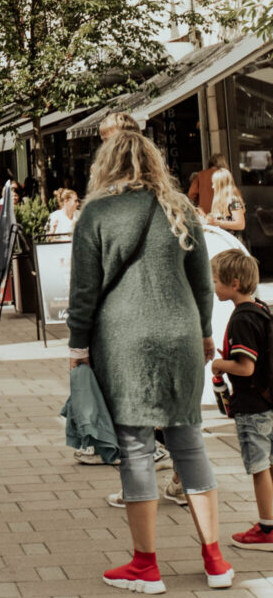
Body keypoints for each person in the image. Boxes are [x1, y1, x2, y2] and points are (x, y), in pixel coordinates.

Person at [67, 130, 232, 592]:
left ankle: (145, 565)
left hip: (123, 341)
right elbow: (202, 284)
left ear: (107, 163)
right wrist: (204, 334)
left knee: (136, 448)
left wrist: (77, 348)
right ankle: (216, 561)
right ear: (154, 162)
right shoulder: (180, 209)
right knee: (189, 441)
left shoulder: (96, 213)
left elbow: (83, 290)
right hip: (180, 336)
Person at [209, 250, 273, 552]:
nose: (212, 286)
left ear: (234, 283)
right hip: (268, 401)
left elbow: (245, 367)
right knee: (270, 464)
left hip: (252, 406)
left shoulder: (242, 320)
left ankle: (266, 528)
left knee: (259, 467)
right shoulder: (261, 309)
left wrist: (220, 366)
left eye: (215, 281)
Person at [206, 169, 246, 241]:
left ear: (220, 185)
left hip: (232, 243)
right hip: (224, 241)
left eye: (214, 183)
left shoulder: (233, 201)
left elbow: (241, 224)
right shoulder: (222, 201)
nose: (213, 187)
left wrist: (217, 222)